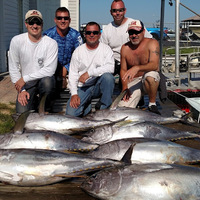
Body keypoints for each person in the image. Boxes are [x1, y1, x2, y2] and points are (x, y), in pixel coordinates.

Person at [9, 10, 58, 114]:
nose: (35, 26)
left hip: (42, 82)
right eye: (31, 22)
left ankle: (46, 108)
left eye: (38, 22)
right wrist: (21, 91)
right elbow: (13, 68)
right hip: (26, 86)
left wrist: (25, 78)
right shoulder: (16, 41)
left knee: (48, 82)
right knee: (22, 115)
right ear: (26, 24)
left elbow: (50, 70)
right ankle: (34, 102)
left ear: (42, 24)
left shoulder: (51, 43)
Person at [66, 22, 115, 117]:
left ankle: (103, 109)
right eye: (89, 33)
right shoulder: (78, 51)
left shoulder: (106, 49)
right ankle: (86, 104)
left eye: (95, 32)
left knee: (108, 77)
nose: (92, 35)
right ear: (85, 35)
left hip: (98, 85)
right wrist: (74, 94)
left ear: (99, 34)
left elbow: (111, 67)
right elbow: (73, 74)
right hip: (83, 87)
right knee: (71, 114)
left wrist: (89, 73)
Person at [118, 20, 161, 115]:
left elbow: (154, 65)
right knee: (122, 109)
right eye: (131, 33)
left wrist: (137, 68)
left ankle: (152, 104)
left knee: (150, 75)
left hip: (148, 78)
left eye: (137, 32)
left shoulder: (152, 43)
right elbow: (123, 69)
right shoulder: (124, 48)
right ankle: (138, 100)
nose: (134, 35)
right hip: (134, 81)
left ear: (143, 32)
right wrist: (125, 87)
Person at [100, 0, 152, 76]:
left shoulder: (134, 24)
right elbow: (102, 52)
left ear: (125, 11)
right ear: (110, 12)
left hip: (134, 63)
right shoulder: (107, 30)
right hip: (115, 64)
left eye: (120, 10)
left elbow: (150, 42)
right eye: (114, 11)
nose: (117, 13)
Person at [43, 7, 83, 93]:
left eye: (66, 18)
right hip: (51, 71)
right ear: (55, 20)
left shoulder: (76, 35)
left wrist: (66, 68)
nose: (63, 21)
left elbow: (81, 56)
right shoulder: (48, 35)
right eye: (59, 18)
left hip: (71, 70)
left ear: (70, 20)